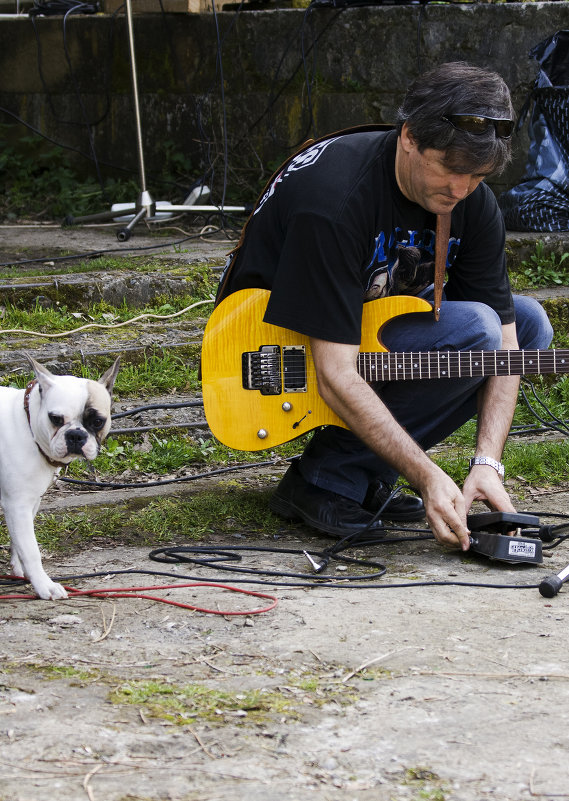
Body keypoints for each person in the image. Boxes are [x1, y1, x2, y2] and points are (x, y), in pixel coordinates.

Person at [216, 61, 553, 550]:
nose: (461, 190)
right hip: (273, 348)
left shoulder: (469, 203)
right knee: (476, 329)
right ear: (410, 137)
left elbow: (506, 344)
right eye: (451, 170)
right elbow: (335, 371)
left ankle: (363, 472)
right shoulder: (336, 199)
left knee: (527, 327)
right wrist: (429, 476)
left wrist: (486, 462)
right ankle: (326, 478)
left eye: (477, 177)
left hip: (367, 329)